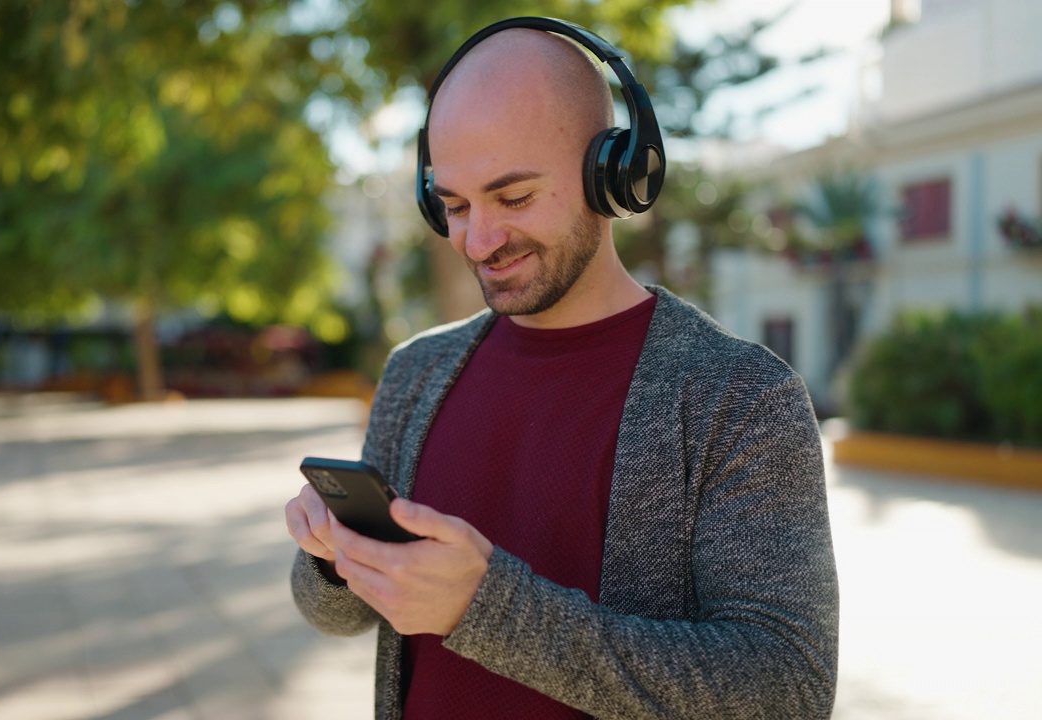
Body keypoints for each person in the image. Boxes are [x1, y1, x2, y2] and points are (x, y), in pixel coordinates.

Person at [286, 18, 838, 720]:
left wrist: (485, 608)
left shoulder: (740, 398)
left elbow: (788, 691)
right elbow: (334, 615)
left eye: (513, 198)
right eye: (452, 206)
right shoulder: (416, 373)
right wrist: (333, 557)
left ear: (615, 174)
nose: (479, 241)